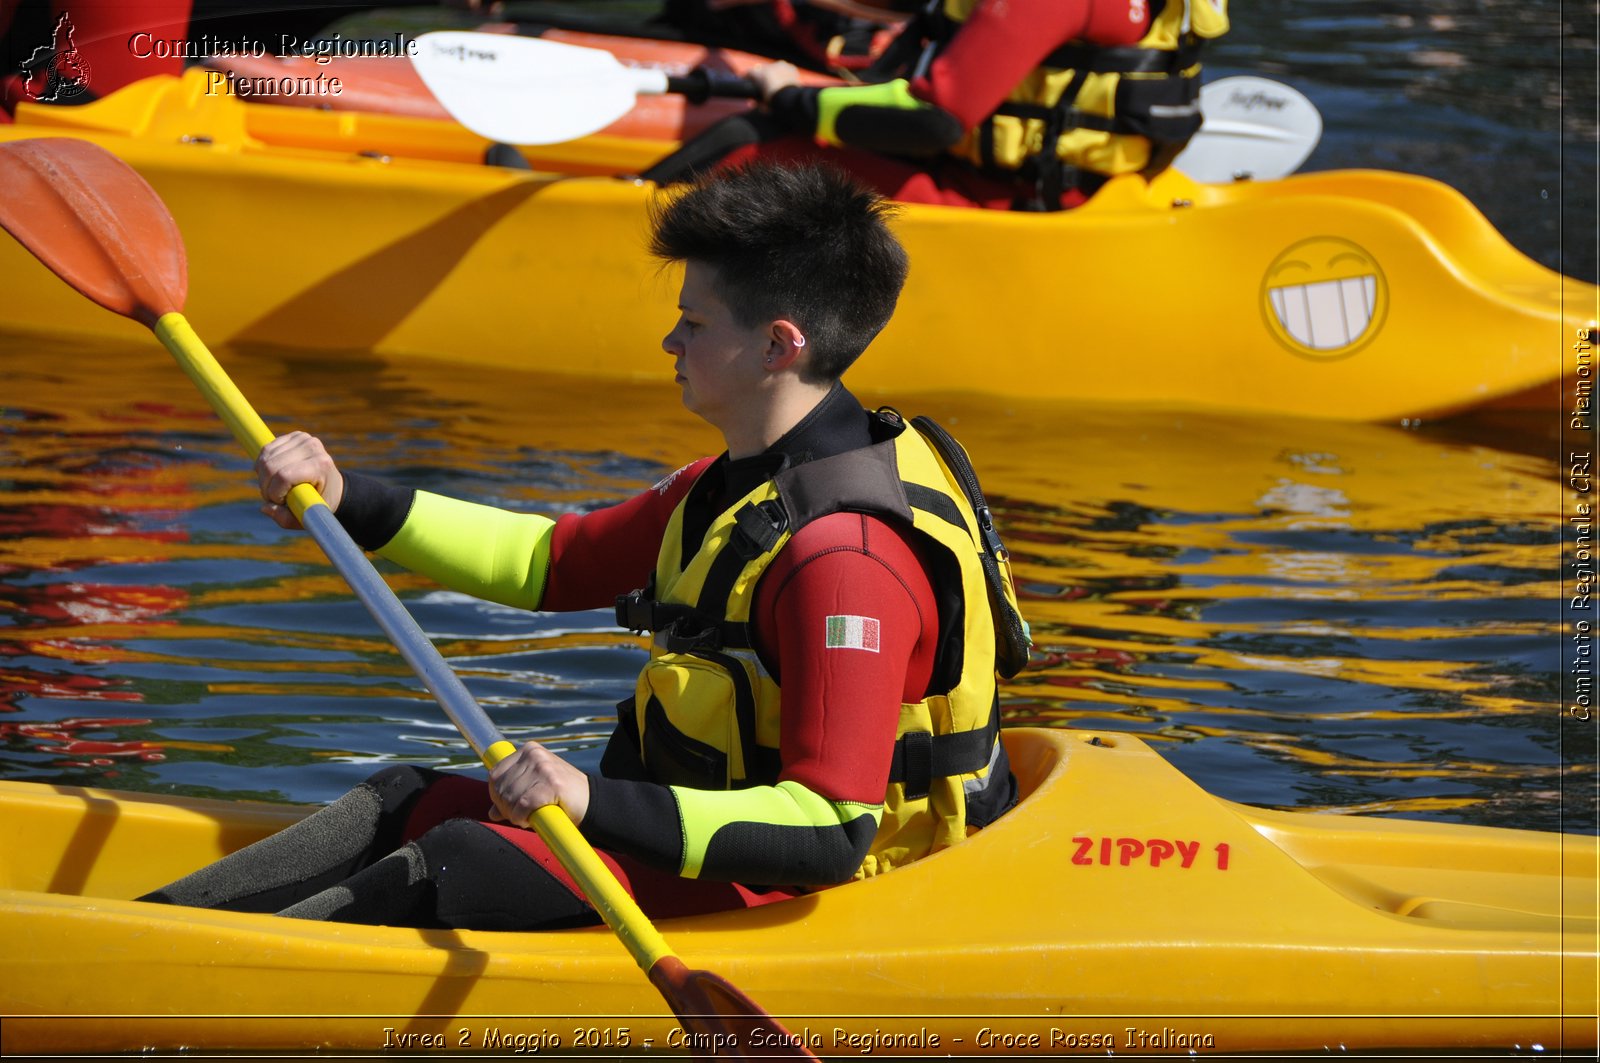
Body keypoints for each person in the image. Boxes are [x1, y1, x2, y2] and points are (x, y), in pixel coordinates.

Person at [139, 161, 1027, 931]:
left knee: (463, 857)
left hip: (803, 889)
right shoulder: (735, 485)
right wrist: (348, 496)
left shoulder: (845, 563)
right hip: (707, 846)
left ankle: (182, 978)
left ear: (777, 345)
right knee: (405, 798)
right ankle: (152, 936)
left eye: (695, 322)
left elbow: (832, 832)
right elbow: (549, 562)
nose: (670, 341)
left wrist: (589, 799)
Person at [642, 0, 1229, 210]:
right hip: (1074, 188)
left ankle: (623, 213)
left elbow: (934, 118)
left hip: (997, 202)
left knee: (751, 144)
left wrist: (793, 97)